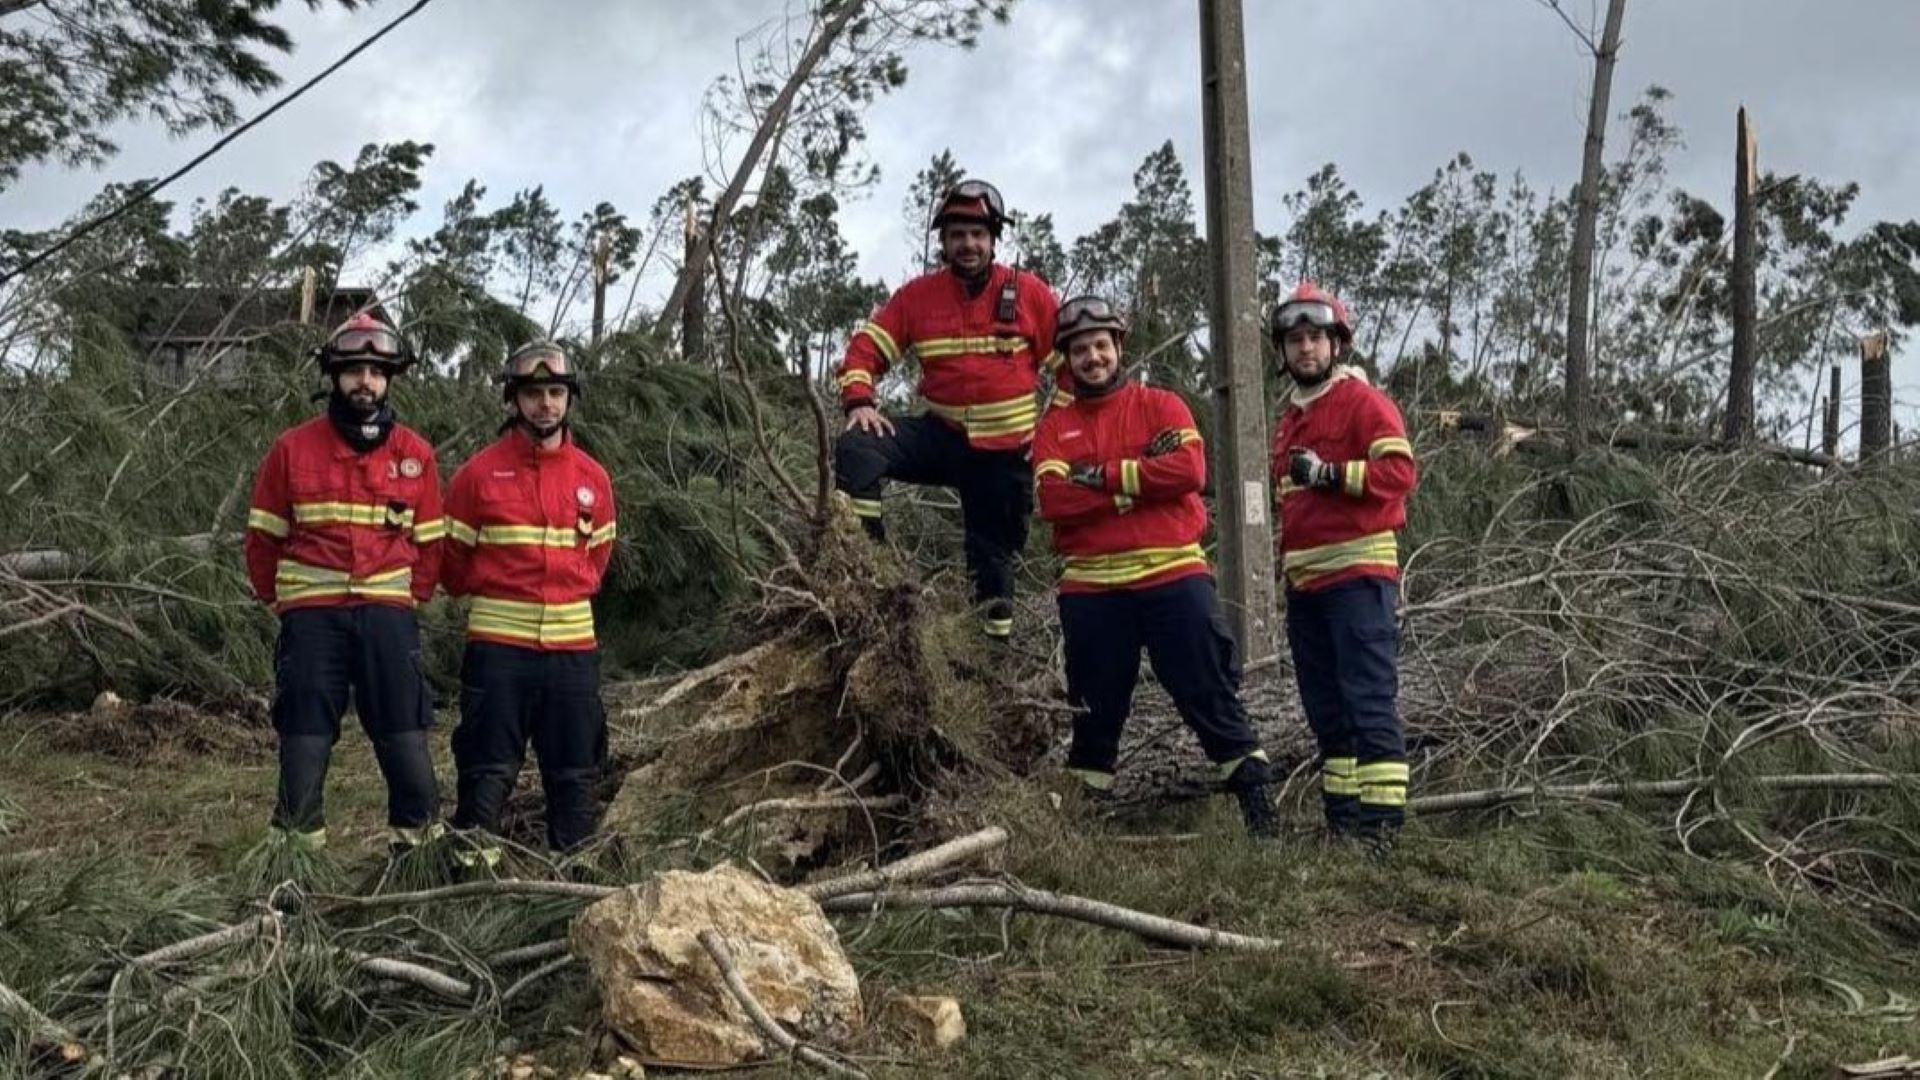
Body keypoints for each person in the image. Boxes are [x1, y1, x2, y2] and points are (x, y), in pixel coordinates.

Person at [1031, 295, 1277, 837]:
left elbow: (1188, 470)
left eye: (1100, 346)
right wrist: (1141, 482)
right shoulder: (1056, 426)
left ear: (1118, 348)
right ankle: (1082, 831)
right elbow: (1053, 501)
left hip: (1173, 577)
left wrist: (1102, 479)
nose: (1092, 358)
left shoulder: (1162, 405)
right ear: (1067, 360)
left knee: (1208, 692)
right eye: (1080, 350)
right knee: (1094, 711)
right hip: (1091, 591)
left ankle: (1261, 815)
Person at [243, 312, 444, 852]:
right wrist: (282, 602)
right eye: (355, 369)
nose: (366, 381)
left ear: (390, 378)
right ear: (334, 375)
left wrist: (406, 600)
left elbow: (430, 545)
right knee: (304, 736)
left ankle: (416, 857)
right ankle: (296, 864)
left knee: (404, 732)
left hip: (387, 618)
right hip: (313, 620)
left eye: (377, 372)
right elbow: (262, 540)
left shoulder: (416, 455)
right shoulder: (292, 449)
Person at [833, 178, 1066, 639]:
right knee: (858, 448)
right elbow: (865, 348)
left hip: (1004, 455)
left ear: (994, 239)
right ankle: (873, 576)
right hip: (941, 438)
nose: (968, 244)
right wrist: (859, 400)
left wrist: (1050, 436)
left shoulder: (1031, 295)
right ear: (942, 240)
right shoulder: (917, 297)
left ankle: (991, 661)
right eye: (957, 234)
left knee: (991, 564)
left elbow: (1072, 370)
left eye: (978, 234)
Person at [443, 341, 617, 860]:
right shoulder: (477, 476)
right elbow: (452, 565)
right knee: (486, 768)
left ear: (569, 398)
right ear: (514, 399)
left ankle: (572, 883)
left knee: (574, 771)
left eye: (555, 392)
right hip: (499, 651)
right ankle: (472, 883)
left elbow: (598, 561)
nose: (546, 404)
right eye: (534, 393)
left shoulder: (594, 479)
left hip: (572, 653)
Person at [1269, 281, 1417, 849]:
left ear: (1336, 344)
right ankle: (1344, 824)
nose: (1305, 349)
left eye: (1315, 338)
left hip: (1358, 579)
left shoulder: (1363, 403)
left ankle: (1382, 835)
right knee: (1326, 712)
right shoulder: (1289, 418)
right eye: (1294, 340)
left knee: (1368, 702)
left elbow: (1399, 475)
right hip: (1306, 586)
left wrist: (1331, 474)